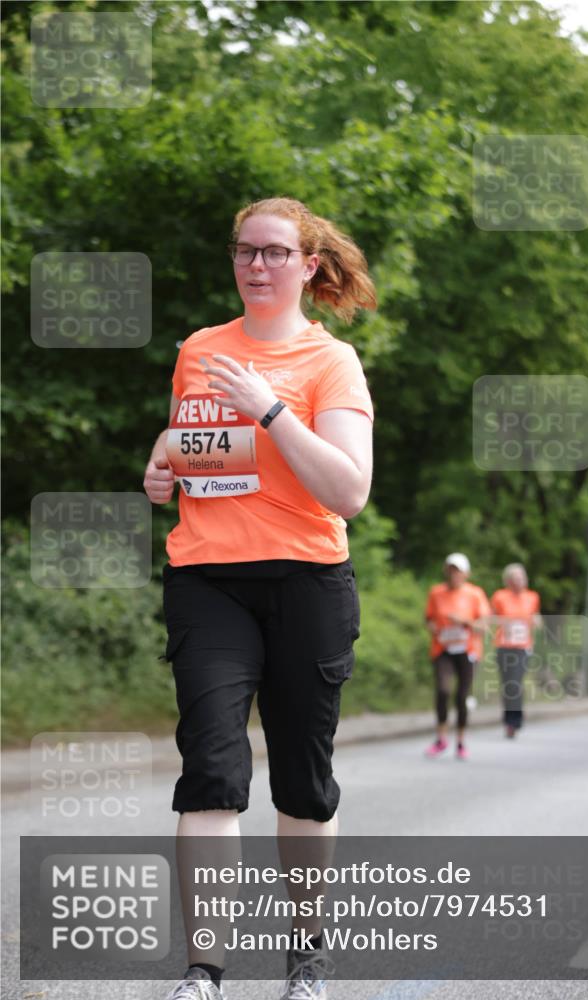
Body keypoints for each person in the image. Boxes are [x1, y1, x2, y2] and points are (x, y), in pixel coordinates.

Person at [143, 196, 376, 1000]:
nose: (256, 265)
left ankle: (307, 957)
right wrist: (159, 466)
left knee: (302, 785)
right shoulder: (200, 349)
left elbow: (348, 491)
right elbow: (187, 438)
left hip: (308, 582)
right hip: (207, 579)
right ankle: (204, 971)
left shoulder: (330, 362)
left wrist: (270, 409)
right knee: (209, 767)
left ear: (308, 265)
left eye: (275, 252)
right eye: (245, 250)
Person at [424, 553, 490, 760]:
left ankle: (461, 741)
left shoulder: (475, 594)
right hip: (443, 649)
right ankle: (441, 739)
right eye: (451, 569)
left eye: (458, 570)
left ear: (466, 574)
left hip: (467, 650)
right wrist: (435, 628)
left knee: (462, 696)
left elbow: (484, 626)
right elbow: (428, 619)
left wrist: (463, 621)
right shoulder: (437, 592)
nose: (454, 574)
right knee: (443, 690)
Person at [490, 563, 542, 738]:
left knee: (516, 682)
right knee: (507, 684)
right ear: (509, 581)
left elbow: (536, 616)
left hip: (523, 646)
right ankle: (508, 718)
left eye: (523, 577)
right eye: (516, 578)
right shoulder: (500, 596)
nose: (521, 581)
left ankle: (515, 719)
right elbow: (490, 618)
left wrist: (537, 622)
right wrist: (503, 623)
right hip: (504, 645)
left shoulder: (532, 597)